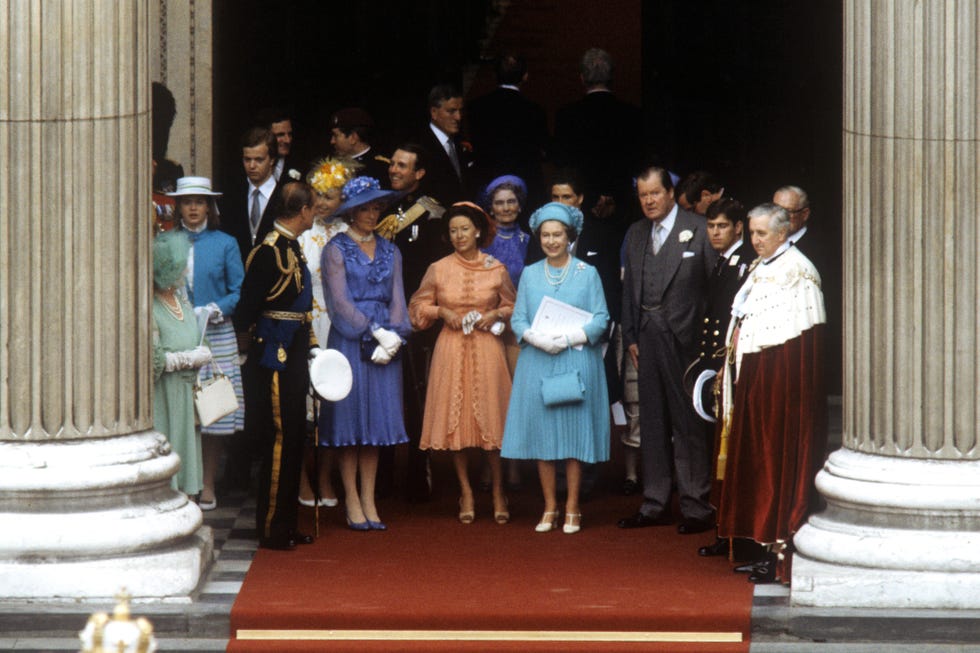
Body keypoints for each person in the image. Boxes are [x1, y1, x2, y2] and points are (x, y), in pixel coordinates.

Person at [716, 202, 827, 584]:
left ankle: (777, 550)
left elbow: (799, 345)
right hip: (755, 380)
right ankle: (759, 544)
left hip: (779, 388)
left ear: (782, 233)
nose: (755, 240)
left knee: (774, 461)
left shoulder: (798, 271)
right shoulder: (761, 267)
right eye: (752, 233)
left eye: (762, 233)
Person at [501, 202, 610, 535]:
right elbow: (518, 318)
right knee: (544, 436)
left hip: (576, 358)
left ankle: (573, 506)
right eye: (546, 235)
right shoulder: (531, 273)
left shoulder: (586, 273)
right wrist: (533, 336)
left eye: (557, 235)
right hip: (538, 359)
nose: (551, 241)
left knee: (574, 435)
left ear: (569, 237)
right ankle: (549, 506)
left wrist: (568, 337)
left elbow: (601, 318)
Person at [618, 166, 716, 535]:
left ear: (670, 193)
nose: (648, 201)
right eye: (643, 195)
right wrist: (630, 337)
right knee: (652, 422)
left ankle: (695, 505)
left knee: (687, 422)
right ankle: (654, 501)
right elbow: (629, 291)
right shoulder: (636, 232)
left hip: (685, 340)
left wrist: (706, 344)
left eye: (654, 194)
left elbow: (713, 289)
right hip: (646, 337)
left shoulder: (699, 228)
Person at [408, 202, 516, 523]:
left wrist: (495, 314)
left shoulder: (496, 268)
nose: (459, 236)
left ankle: (498, 490)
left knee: (491, 422)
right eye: (453, 230)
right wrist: (442, 312)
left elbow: (513, 306)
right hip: (451, 348)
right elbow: (417, 307)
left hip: (486, 348)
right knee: (456, 426)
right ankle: (466, 490)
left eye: (464, 229)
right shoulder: (438, 268)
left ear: (478, 231)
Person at [318, 177, 411, 531]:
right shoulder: (335, 250)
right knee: (349, 424)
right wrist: (374, 331)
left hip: (387, 344)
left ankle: (369, 497)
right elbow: (339, 303)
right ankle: (351, 500)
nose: (371, 214)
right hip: (351, 339)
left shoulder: (391, 249)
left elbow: (399, 295)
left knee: (374, 426)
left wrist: (397, 335)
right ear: (351, 212)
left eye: (376, 207)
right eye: (364, 208)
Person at [234, 181, 319, 550]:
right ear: (302, 211)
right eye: (313, 208)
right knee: (280, 437)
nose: (314, 214)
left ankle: (285, 522)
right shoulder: (268, 251)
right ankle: (271, 526)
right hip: (273, 355)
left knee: (296, 434)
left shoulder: (292, 247)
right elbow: (246, 312)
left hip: (295, 350)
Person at [168, 176, 245, 511]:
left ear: (209, 206)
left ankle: (208, 482)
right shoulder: (166, 242)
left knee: (212, 411)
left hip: (215, 333)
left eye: (200, 202)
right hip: (178, 333)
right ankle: (185, 482)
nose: (194, 208)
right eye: (187, 202)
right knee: (182, 410)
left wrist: (217, 308)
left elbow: (238, 289)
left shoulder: (225, 242)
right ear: (179, 206)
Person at [384, 143, 452, 502]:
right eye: (393, 163)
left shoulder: (431, 214)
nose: (394, 169)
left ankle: (415, 473)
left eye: (402, 165)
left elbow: (434, 271)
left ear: (419, 173)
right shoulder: (378, 207)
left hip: (414, 315)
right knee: (381, 395)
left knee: (415, 396)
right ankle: (380, 476)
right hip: (380, 314)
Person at [296, 157, 360, 507]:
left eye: (330, 196)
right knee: (306, 402)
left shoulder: (348, 235)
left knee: (335, 402)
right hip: (308, 320)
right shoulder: (302, 230)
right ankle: (304, 479)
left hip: (340, 323)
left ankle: (325, 478)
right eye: (317, 195)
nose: (321, 203)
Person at [552, 48, 642, 232]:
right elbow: (637, 160)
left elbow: (561, 162)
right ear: (612, 78)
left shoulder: (566, 116)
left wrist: (592, 197)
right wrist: (611, 196)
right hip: (621, 203)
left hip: (582, 204)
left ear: (582, 79)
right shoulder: (632, 115)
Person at [151, 230, 212, 499]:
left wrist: (203, 352)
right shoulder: (149, 306)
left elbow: (199, 337)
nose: (186, 268)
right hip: (164, 397)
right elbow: (153, 360)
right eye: (180, 264)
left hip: (187, 395)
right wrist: (187, 358)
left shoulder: (181, 298)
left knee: (187, 456)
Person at [467, 52, 548, 203]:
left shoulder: (476, 107)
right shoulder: (535, 110)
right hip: (527, 187)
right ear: (525, 76)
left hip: (487, 183)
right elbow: (545, 149)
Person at [221, 127, 285, 262]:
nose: (251, 165)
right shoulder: (231, 196)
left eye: (259, 160)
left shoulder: (285, 196)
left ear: (272, 159)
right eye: (247, 159)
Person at [420, 84, 471, 204]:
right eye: (451, 111)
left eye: (460, 111)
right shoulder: (420, 146)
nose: (458, 117)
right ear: (434, 112)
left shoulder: (459, 143)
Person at [329, 107, 390, 183]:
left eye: (336, 136)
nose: (332, 141)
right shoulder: (332, 165)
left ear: (353, 138)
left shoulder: (380, 168)